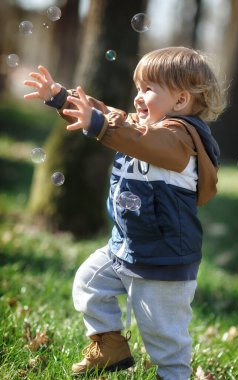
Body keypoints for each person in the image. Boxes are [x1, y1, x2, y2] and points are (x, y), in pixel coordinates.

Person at [24, 46, 226, 380]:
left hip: (164, 258)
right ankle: (110, 347)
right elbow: (113, 116)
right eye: (137, 87)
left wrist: (102, 127)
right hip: (125, 247)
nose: (137, 97)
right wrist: (62, 98)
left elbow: (142, 141)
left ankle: (174, 373)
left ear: (179, 101)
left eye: (148, 89)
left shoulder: (180, 138)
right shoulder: (142, 127)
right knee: (89, 282)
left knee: (163, 334)